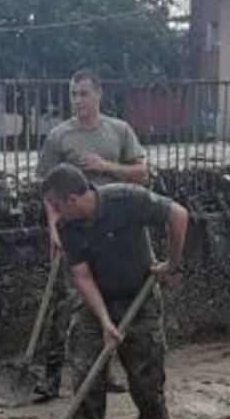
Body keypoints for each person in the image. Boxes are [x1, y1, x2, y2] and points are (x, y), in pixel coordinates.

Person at [43, 163, 189, 419]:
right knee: (85, 368)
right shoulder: (70, 228)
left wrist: (170, 264)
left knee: (146, 373)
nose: (53, 213)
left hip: (140, 297)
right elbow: (82, 277)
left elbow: (178, 215)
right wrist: (105, 321)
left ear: (72, 200)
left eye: (56, 205)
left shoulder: (127, 199)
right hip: (97, 302)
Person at [34, 68, 150, 400]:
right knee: (68, 304)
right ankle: (51, 377)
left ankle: (104, 371)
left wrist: (106, 166)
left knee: (110, 300)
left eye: (84, 93)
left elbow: (141, 174)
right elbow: (47, 190)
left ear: (98, 94)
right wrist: (53, 226)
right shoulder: (59, 137)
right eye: (73, 94)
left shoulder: (119, 130)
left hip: (114, 232)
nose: (78, 101)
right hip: (76, 232)